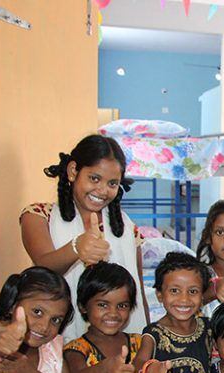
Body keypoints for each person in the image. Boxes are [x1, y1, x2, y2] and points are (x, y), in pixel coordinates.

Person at [20, 135, 148, 340]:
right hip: (60, 341)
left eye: (113, 183)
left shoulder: (126, 228)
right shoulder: (38, 216)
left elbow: (138, 293)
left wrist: (146, 340)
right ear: (73, 171)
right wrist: (76, 248)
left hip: (122, 344)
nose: (103, 190)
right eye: (94, 178)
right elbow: (42, 270)